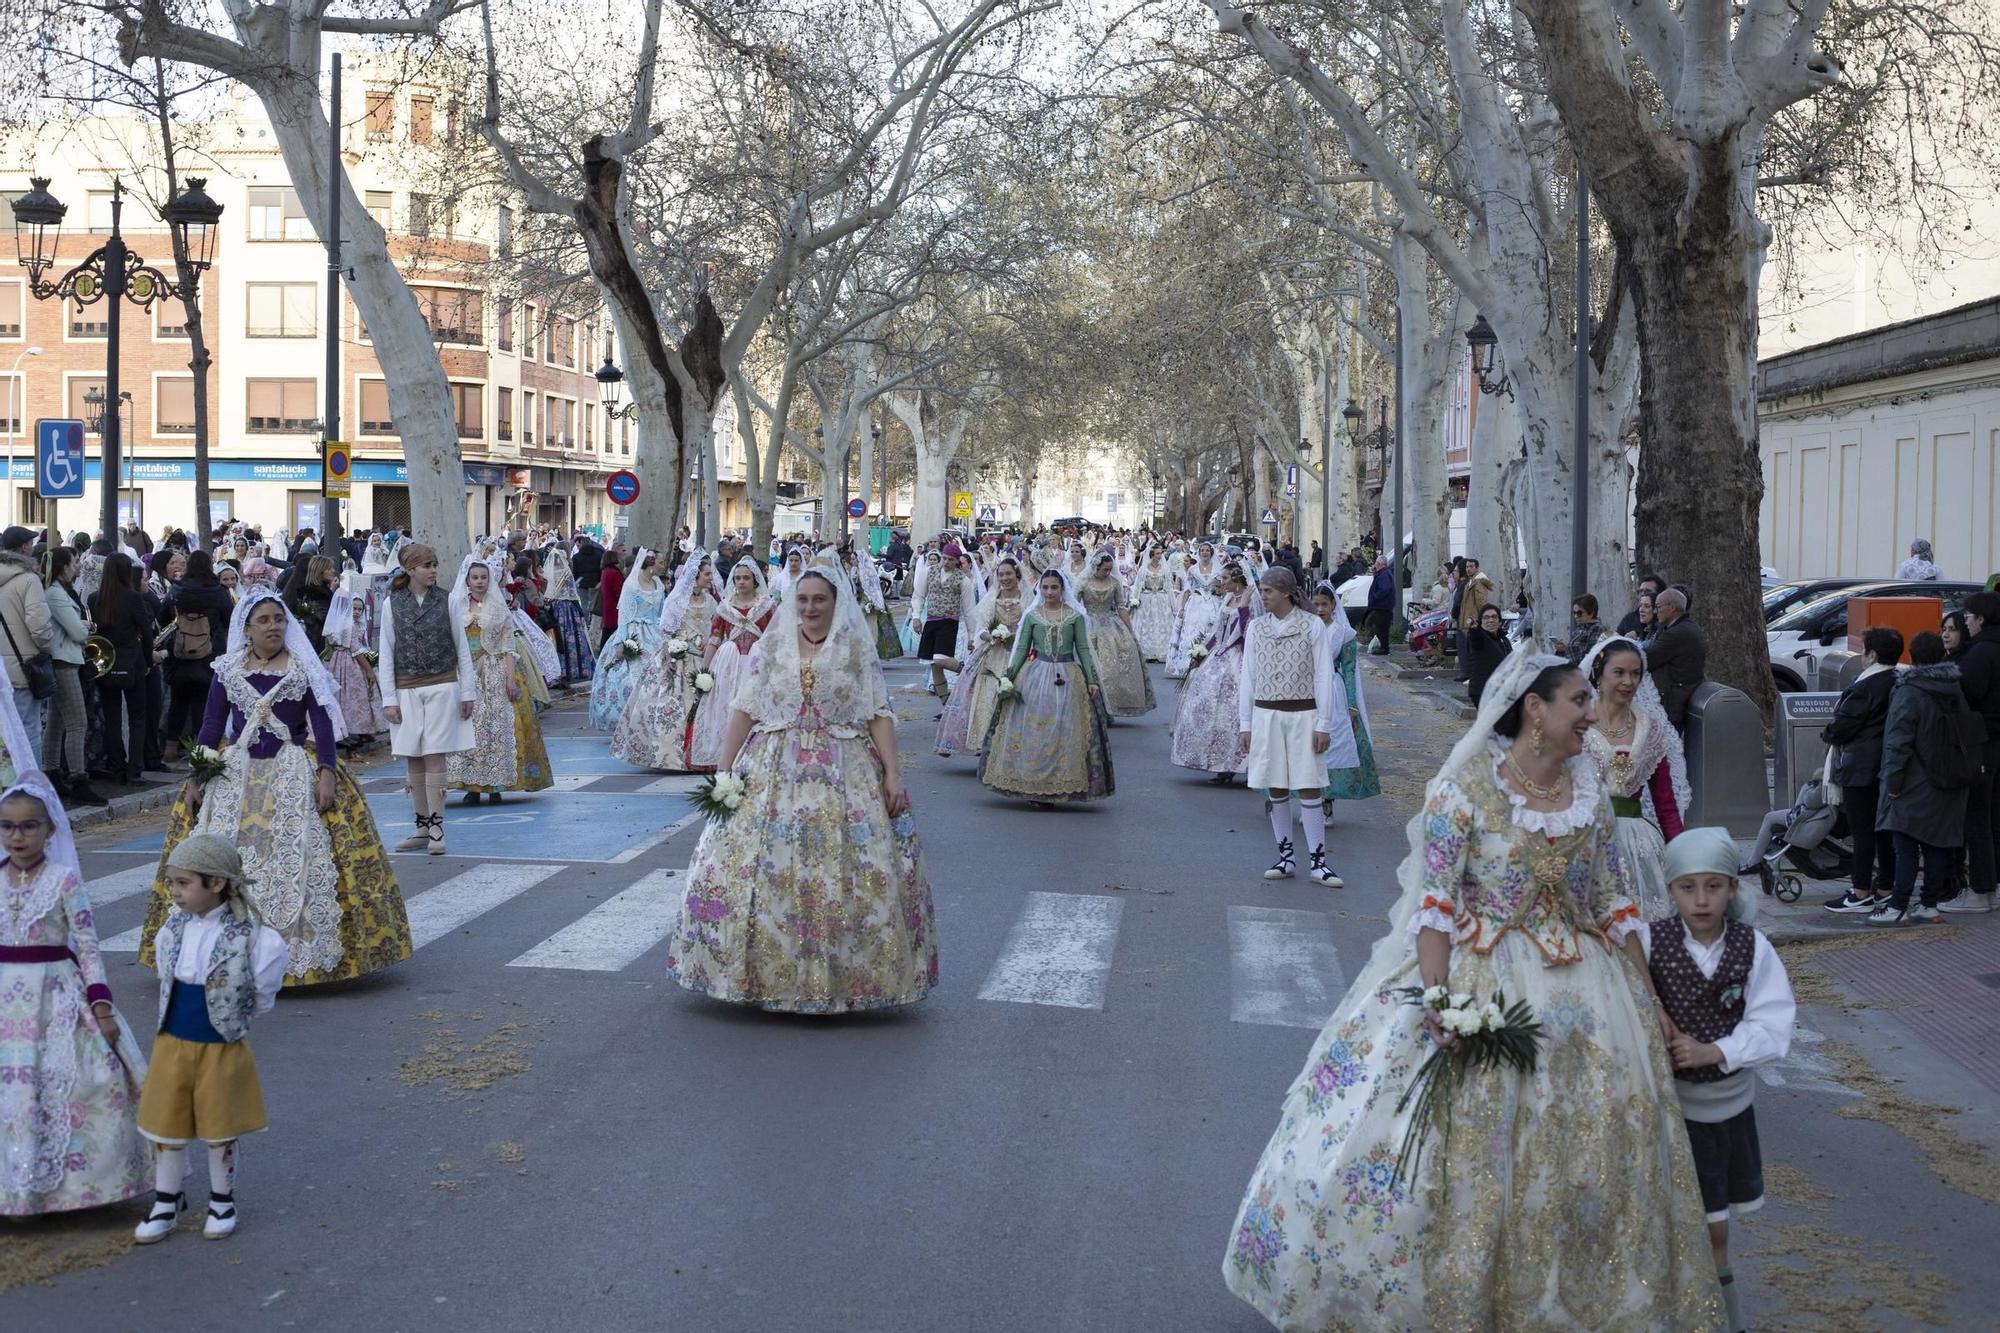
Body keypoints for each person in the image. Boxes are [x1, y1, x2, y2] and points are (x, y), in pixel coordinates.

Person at [1221, 645, 1722, 1330]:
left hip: (1592, 996)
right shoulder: (1464, 792)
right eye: (1577, 700)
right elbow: (1434, 905)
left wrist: (1655, 1003)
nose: (1589, 714)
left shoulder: (1591, 794)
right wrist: (1436, 1000)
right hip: (1482, 978)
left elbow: (1613, 902)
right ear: (1534, 709)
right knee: (1463, 1151)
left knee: (1595, 1154)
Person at [664, 560, 937, 1013]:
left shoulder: (853, 649)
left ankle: (846, 980)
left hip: (844, 769)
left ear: (836, 603)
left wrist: (893, 773)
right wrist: (725, 768)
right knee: (761, 869)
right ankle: (761, 975)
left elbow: (878, 714)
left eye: (819, 600)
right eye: (803, 599)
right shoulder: (774, 648)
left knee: (843, 873)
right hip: (772, 766)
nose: (810, 607)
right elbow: (744, 708)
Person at [140, 589, 410, 985]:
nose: (273, 627)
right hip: (236, 774)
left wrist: (327, 772)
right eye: (263, 621)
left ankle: (292, 955)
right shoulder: (228, 669)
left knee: (295, 856)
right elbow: (212, 725)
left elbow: (321, 724)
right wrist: (197, 774)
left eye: (278, 620)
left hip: (290, 770)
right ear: (246, 629)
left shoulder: (302, 668)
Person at [1639, 827, 1796, 1333]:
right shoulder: (1648, 942)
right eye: (1688, 887)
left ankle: (1722, 1320)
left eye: (1713, 886)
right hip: (1671, 1110)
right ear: (1670, 891)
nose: (1701, 899)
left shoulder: (1754, 948)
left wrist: (1715, 1050)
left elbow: (1773, 1025)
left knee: (1716, 1229)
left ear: (1732, 888)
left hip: (1725, 1111)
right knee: (1667, 1221)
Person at [0, 771, 150, 1217]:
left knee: (70, 1084)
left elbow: (86, 946)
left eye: (29, 826)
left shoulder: (64, 880)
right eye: (7, 826)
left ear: (50, 829)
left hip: (56, 996)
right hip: (6, 1000)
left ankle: (73, 1188)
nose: (17, 835)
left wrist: (100, 1006)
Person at [132, 833, 287, 1244]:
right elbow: (168, 974)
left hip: (220, 1044)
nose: (175, 891)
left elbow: (262, 993)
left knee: (220, 1127)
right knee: (166, 1125)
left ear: (215, 884)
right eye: (173, 882)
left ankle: (222, 1200)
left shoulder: (252, 937)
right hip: (172, 1042)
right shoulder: (172, 927)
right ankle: (166, 1200)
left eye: (184, 883)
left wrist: (231, 1016)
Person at [1237, 567, 1350, 887]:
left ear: (1286, 592)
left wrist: (1324, 724)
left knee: (1310, 783)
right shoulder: (1258, 628)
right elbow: (1249, 676)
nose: (1263, 595)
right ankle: (1286, 856)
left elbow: (1322, 675)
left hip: (1303, 714)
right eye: (1261, 590)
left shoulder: (1312, 626)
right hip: (1267, 715)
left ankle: (1318, 862)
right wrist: (1246, 723)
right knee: (1276, 784)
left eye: (1268, 591)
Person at [980, 569, 1115, 806]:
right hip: (1035, 675)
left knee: (1064, 728)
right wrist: (1008, 678)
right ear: (1039, 590)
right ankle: (1033, 785)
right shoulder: (1033, 616)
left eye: (1054, 587)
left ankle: (1060, 785)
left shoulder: (1074, 617)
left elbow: (1082, 649)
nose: (1050, 592)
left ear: (1063, 590)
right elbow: (1022, 648)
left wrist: (1091, 679)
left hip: (1068, 676)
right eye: (1045, 587)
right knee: (1036, 727)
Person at [376, 543, 476, 854]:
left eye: (434, 564)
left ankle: (436, 828)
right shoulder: (392, 604)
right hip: (406, 689)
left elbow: (462, 648)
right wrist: (388, 699)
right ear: (410, 570)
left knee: (435, 755)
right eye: (426, 565)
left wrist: (467, 691)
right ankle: (421, 826)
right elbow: (386, 653)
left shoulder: (448, 600)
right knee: (413, 756)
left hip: (443, 686)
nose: (432, 570)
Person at [1580, 636, 1690, 921]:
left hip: (1638, 846)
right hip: (1584, 839)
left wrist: (1682, 859)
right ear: (1598, 673)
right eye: (1619, 672)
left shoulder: (1651, 731)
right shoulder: (1577, 725)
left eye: (1635, 673)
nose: (1628, 681)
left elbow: (1665, 805)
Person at [1871, 631, 1974, 925]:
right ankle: (1929, 904)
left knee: (1904, 844)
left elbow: (1897, 742)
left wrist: (1892, 783)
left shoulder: (1909, 690)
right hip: (1950, 778)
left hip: (1915, 780)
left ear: (1912, 657)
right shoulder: (1954, 687)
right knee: (1936, 844)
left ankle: (1897, 905)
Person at [445, 557, 555, 802]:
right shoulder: (457, 606)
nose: (480, 582)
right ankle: (472, 787)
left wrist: (511, 679)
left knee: (496, 729)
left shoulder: (498, 607)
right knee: (469, 730)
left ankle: (496, 785)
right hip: (465, 673)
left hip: (493, 670)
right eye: (475, 578)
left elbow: (507, 645)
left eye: (484, 577)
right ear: (468, 580)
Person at [611, 551, 720, 773]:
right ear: (696, 575)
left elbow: (714, 625)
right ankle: (672, 756)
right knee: (674, 705)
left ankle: (703, 752)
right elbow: (667, 630)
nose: (712, 578)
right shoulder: (678, 600)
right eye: (708, 574)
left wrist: (710, 640)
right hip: (679, 657)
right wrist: (672, 653)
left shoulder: (710, 600)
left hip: (704, 657)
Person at [1820, 628, 1903, 915]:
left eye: (1864, 650)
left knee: (1863, 832)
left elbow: (1843, 725)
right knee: (1884, 831)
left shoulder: (1865, 686)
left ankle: (1860, 892)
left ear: (1872, 655)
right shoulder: (1898, 680)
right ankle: (1885, 888)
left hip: (1860, 767)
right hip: (1887, 765)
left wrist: (1828, 733)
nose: (1861, 656)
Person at [935, 555, 1028, 759]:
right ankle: (987, 743)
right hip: (992, 653)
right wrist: (992, 636)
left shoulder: (1027, 599)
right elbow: (981, 628)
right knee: (986, 696)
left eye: (1009, 574)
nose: (1005, 578)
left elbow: (1031, 624)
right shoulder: (992, 599)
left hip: (1018, 653)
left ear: (1017, 575)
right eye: (1001, 574)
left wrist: (1017, 637)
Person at [689, 558, 775, 770]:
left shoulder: (766, 606)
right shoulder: (724, 608)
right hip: (729, 664)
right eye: (738, 578)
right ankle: (726, 755)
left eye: (746, 578)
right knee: (727, 706)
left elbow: (775, 639)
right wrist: (706, 673)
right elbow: (714, 640)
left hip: (758, 664)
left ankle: (755, 754)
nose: (742, 582)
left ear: (755, 580)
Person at [1171, 563, 1254, 783]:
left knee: (1233, 712)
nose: (1221, 582)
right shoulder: (1226, 599)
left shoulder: (1250, 600)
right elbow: (1217, 633)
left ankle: (1236, 764)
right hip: (1219, 655)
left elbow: (1250, 633)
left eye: (1225, 578)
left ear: (1236, 579)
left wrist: (1245, 606)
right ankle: (1217, 763)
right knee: (1209, 707)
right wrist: (1203, 652)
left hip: (1239, 657)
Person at [1948, 591, 2000, 914]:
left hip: (1983, 744)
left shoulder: (1980, 654)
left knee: (1977, 817)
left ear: (1981, 619)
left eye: (1967, 617)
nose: (1964, 622)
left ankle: (1981, 890)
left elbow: (1966, 695)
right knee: (1996, 816)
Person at [40, 549, 104, 805]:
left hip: (64, 660)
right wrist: (86, 626)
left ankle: (53, 773)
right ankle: (78, 779)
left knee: (56, 724)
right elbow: (77, 632)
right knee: (78, 723)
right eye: (74, 563)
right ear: (62, 567)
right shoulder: (56, 593)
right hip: (64, 662)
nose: (77, 567)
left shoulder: (59, 592)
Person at [1313, 580, 1381, 805]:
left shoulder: (1344, 634)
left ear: (1334, 605)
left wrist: (1352, 705)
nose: (1320, 609)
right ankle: (1305, 798)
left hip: (1332, 690)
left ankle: (1327, 801)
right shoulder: (1307, 629)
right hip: (1307, 690)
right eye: (1316, 604)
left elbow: (1349, 671)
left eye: (1324, 604)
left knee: (1332, 745)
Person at [90, 552, 151, 785]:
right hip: (132, 662)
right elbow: (145, 631)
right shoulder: (133, 598)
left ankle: (117, 765)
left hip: (106, 663)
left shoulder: (96, 598)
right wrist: (148, 660)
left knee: (112, 716)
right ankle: (134, 769)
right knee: (137, 717)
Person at [590, 548, 663, 730]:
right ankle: (629, 721)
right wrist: (620, 644)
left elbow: (661, 612)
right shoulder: (631, 585)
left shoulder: (658, 583)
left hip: (655, 632)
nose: (663, 565)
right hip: (633, 632)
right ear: (650, 565)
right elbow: (624, 617)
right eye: (660, 562)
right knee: (629, 677)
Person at [1080, 551, 1155, 717]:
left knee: (1113, 668)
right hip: (1090, 625)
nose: (1107, 572)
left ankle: (1111, 707)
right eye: (1104, 570)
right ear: (1095, 567)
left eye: (1109, 569)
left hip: (1111, 626)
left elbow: (1121, 606)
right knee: (1094, 667)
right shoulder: (1084, 583)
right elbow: (1075, 606)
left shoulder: (1114, 583)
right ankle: (1094, 708)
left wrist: (1129, 629)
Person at [0, 525, 52, 745]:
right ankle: (30, 780)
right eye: (30, 543)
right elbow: (39, 627)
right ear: (24, 547)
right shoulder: (29, 580)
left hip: (3, 669)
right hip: (23, 669)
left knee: (5, 735)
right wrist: (49, 646)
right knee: (29, 730)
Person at [323, 577, 390, 743]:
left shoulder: (354, 624)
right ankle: (354, 728)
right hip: (349, 661)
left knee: (354, 695)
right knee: (352, 694)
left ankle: (362, 728)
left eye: (360, 609)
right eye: (354, 608)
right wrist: (368, 669)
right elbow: (355, 648)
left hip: (349, 658)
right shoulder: (348, 626)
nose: (357, 612)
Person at [1647, 587, 1708, 731]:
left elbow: (1647, 660)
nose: (1655, 612)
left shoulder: (1676, 634)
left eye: (1658, 607)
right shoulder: (1687, 627)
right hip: (1680, 697)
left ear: (1672, 608)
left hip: (1673, 703)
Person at [1166, 543, 1225, 679]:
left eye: (1207, 551)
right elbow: (1187, 590)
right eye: (1202, 550)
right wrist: (1181, 608)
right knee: (1192, 631)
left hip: (1213, 603)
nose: (1204, 553)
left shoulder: (1218, 569)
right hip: (1196, 603)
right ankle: (1188, 663)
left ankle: (1206, 663)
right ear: (1199, 552)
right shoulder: (1192, 570)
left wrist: (1219, 594)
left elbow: (1223, 588)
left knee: (1210, 630)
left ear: (1211, 553)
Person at [541, 546, 595, 686]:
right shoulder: (566, 573)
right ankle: (576, 669)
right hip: (568, 609)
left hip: (555, 607)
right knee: (572, 637)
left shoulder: (548, 573)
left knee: (558, 638)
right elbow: (573, 595)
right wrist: (581, 612)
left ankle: (560, 669)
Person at [1130, 546, 1181, 662]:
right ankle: (1147, 652)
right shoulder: (1143, 570)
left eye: (1160, 553)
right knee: (1147, 624)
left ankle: (1161, 652)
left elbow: (1169, 588)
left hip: (1161, 600)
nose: (1160, 556)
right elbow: (1137, 586)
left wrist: (1173, 607)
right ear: (1152, 555)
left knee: (1161, 624)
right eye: (1157, 554)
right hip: (1146, 599)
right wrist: (1135, 600)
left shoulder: (1165, 569)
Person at [1463, 603, 1511, 705]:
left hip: (1501, 690)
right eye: (1486, 618)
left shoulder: (1504, 640)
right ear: (1481, 622)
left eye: (1494, 617)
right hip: (1483, 691)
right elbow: (1475, 640)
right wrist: (1474, 629)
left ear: (1499, 621)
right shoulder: (1480, 636)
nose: (1491, 620)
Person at [1618, 572, 1667, 637]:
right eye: (1640, 591)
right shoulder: (1628, 619)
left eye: (1647, 591)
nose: (1643, 594)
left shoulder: (1666, 619)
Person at [1364, 554, 1395, 654]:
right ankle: (1381, 646)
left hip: (1382, 606)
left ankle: (1383, 648)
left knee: (1381, 628)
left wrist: (1375, 598)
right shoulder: (1382, 574)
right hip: (1381, 606)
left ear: (1379, 564)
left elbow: (1384, 589)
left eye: (1376, 564)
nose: (1374, 565)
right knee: (1377, 626)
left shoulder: (1384, 575)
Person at [1566, 591, 1606, 665]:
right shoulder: (1579, 629)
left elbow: (1589, 658)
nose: (1576, 616)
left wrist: (1567, 649)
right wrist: (1561, 650)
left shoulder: (1598, 629)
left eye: (1579, 613)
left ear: (1591, 613)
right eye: (1574, 613)